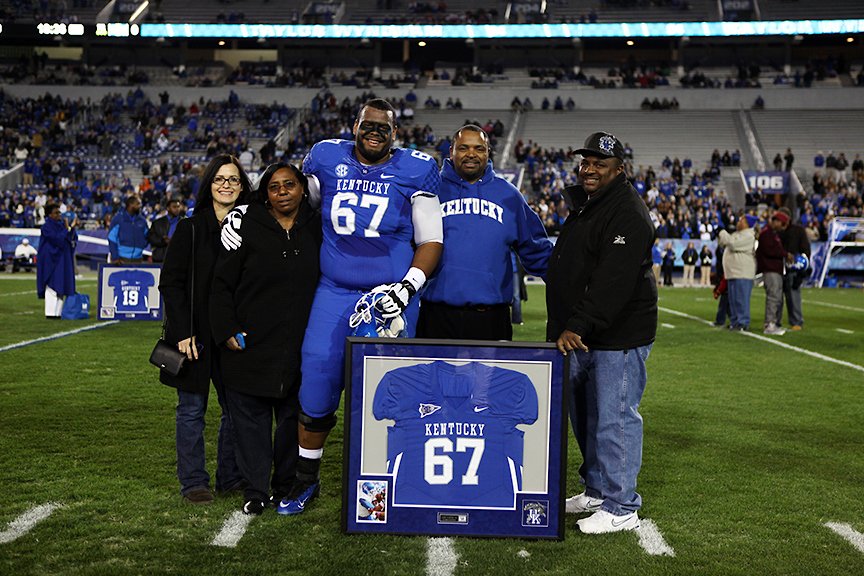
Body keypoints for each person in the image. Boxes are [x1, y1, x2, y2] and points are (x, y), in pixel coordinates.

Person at [221, 98, 443, 515]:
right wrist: (246, 212)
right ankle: (306, 479)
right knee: (317, 382)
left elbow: (431, 238)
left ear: (395, 133)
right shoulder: (326, 156)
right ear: (355, 126)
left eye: (383, 127)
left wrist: (407, 288)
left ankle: (394, 478)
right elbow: (290, 197)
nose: (374, 132)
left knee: (391, 390)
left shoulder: (415, 168)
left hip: (390, 296)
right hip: (334, 290)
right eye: (367, 125)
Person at [545, 132, 657, 534]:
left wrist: (577, 324)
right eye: (586, 162)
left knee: (615, 419)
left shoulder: (627, 211)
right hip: (586, 333)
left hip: (617, 335)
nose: (589, 169)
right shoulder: (590, 204)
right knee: (587, 418)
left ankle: (622, 505)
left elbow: (614, 280)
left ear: (619, 169)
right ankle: (596, 490)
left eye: (600, 164)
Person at [209, 163, 321, 516]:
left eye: (290, 184)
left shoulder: (319, 226)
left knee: (291, 420)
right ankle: (255, 489)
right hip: (251, 344)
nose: (283, 191)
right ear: (265, 194)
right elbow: (221, 284)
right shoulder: (245, 225)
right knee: (250, 423)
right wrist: (226, 329)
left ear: (303, 188)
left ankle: (285, 486)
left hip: (300, 345)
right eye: (274, 187)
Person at [158, 155, 249, 505]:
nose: (226, 185)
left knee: (236, 410)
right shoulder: (191, 228)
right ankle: (194, 482)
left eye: (233, 179)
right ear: (209, 184)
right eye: (219, 179)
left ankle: (230, 476)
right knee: (192, 410)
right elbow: (171, 283)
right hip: (193, 338)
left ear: (242, 186)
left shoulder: (251, 229)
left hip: (231, 336)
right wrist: (183, 332)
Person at [417, 125, 552, 340]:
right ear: (451, 151)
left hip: (491, 318)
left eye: (479, 148)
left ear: (488, 152)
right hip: (435, 315)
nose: (471, 154)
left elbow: (537, 251)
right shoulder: (430, 190)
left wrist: (569, 289)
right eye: (463, 148)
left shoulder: (508, 195)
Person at [36, 204, 77, 319]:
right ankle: (50, 313)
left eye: (59, 212)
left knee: (61, 285)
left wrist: (71, 228)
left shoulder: (61, 225)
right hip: (51, 260)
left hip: (62, 259)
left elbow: (71, 239)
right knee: (51, 286)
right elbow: (57, 239)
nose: (59, 215)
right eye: (56, 213)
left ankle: (58, 313)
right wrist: (67, 229)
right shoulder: (46, 227)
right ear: (50, 215)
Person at [717, 217, 757, 331]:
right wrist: (721, 236)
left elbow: (733, 244)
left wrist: (722, 232)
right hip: (733, 272)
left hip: (742, 272)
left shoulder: (749, 235)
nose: (738, 222)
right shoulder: (738, 234)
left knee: (741, 300)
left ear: (747, 224)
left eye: (741, 221)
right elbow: (724, 242)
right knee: (733, 300)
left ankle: (743, 322)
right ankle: (735, 322)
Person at [777, 207, 810, 331]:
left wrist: (801, 269)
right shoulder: (776, 232)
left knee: (793, 296)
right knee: (776, 298)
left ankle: (796, 321)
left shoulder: (798, 231)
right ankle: (775, 321)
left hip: (793, 269)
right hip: (778, 267)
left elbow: (806, 251)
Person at [757, 211, 788, 335]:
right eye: (782, 224)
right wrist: (785, 254)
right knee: (773, 297)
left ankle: (774, 323)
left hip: (775, 269)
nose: (782, 227)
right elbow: (769, 251)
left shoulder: (772, 234)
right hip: (770, 269)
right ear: (776, 221)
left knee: (777, 298)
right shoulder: (766, 234)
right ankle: (769, 324)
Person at [108, 195, 149, 264]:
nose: (140, 206)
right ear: (130, 205)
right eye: (138, 204)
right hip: (121, 258)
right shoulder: (118, 219)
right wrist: (115, 257)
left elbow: (147, 235)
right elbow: (112, 238)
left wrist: (141, 245)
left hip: (138, 258)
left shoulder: (142, 220)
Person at [148, 196, 184, 263]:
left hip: (178, 258)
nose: (177, 209)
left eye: (178, 207)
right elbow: (151, 238)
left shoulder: (184, 223)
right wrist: (163, 240)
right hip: (160, 258)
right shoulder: (157, 223)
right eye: (174, 207)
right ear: (168, 208)